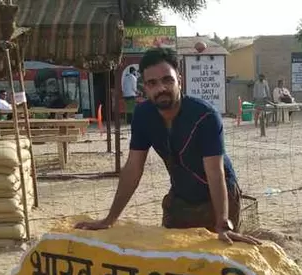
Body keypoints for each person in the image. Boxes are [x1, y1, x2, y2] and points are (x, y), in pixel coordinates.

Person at [75, 47, 259, 245]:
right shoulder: (143, 116)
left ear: (179, 80)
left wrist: (222, 224)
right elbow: (133, 168)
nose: (161, 88)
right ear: (144, 88)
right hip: (181, 194)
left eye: (167, 80)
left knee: (216, 256)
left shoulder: (205, 116)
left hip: (218, 197)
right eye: (152, 83)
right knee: (172, 255)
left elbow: (215, 173)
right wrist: (109, 219)